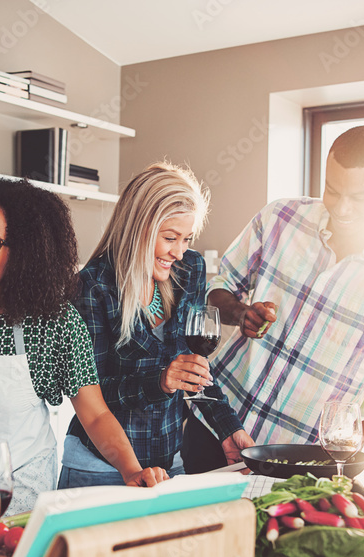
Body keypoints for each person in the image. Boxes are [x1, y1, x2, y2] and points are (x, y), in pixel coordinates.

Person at [0, 175, 167, 552]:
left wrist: (131, 469)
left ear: (21, 254)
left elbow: (95, 415)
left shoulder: (54, 324)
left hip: (19, 494)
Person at [207, 125, 364, 453]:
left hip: (302, 458)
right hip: (215, 424)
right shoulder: (279, 218)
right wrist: (241, 313)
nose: (341, 208)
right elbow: (220, 287)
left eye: (358, 197)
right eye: (332, 190)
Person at [60, 162, 255, 487]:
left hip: (167, 466)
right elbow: (90, 393)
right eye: (170, 238)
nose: (179, 252)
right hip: (97, 468)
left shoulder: (189, 269)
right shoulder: (93, 286)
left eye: (187, 239)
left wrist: (228, 429)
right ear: (139, 227)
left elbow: (196, 368)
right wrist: (159, 382)